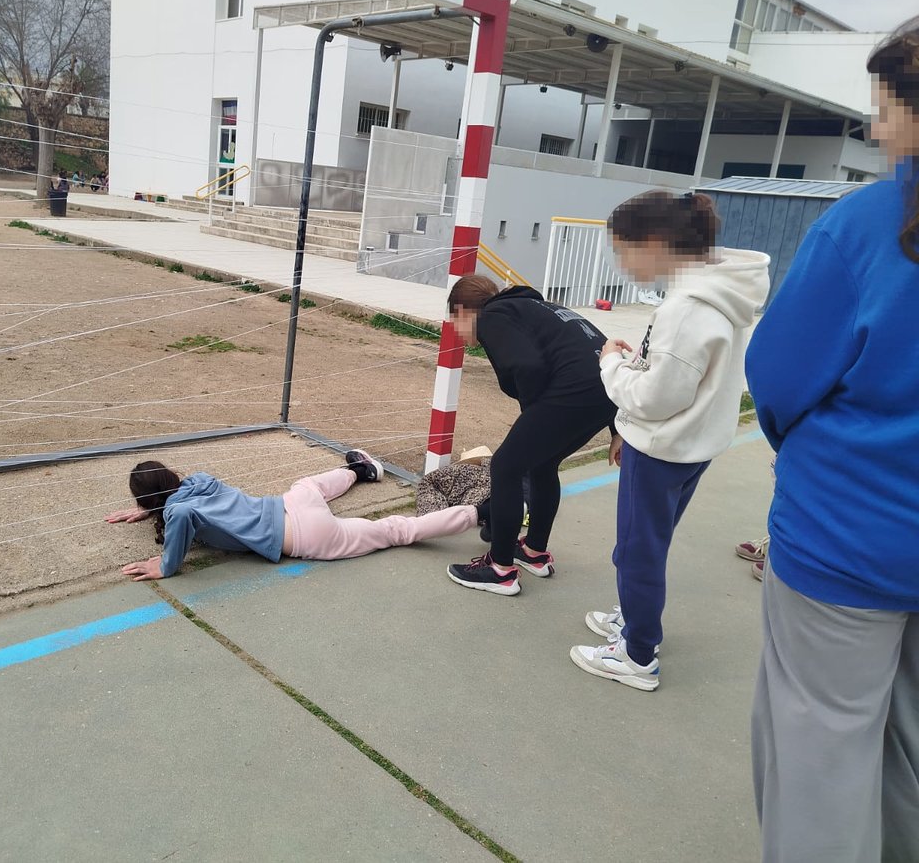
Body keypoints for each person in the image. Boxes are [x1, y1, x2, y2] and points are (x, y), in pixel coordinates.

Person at [746, 19, 919, 862]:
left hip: (848, 541)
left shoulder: (865, 226)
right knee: (908, 753)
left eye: (887, 108)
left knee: (820, 750)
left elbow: (777, 382)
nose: (879, 130)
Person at [570, 191, 769, 691]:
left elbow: (656, 398)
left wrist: (610, 366)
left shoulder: (688, 307)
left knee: (638, 551)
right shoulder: (720, 291)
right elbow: (682, 377)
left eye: (622, 250)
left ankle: (638, 655)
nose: (620, 262)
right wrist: (634, 359)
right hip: (693, 445)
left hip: (661, 448)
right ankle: (634, 622)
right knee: (648, 544)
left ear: (655, 243)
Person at [443, 277, 618, 596]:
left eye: (454, 321)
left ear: (463, 311)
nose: (456, 330)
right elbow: (596, 355)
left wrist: (532, 418)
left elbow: (527, 366)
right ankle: (534, 552)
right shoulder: (535, 307)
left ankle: (499, 569)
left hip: (572, 392)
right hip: (606, 396)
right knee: (541, 465)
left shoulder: (491, 317)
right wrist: (617, 427)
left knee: (506, 467)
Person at [107, 450, 479, 580]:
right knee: (310, 484)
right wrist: (154, 508)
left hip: (303, 538)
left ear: (149, 502)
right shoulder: (198, 482)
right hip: (290, 505)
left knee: (393, 531)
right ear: (172, 476)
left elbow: (183, 513)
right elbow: (184, 499)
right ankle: (360, 471)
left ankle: (475, 514)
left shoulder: (178, 510)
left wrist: (166, 565)